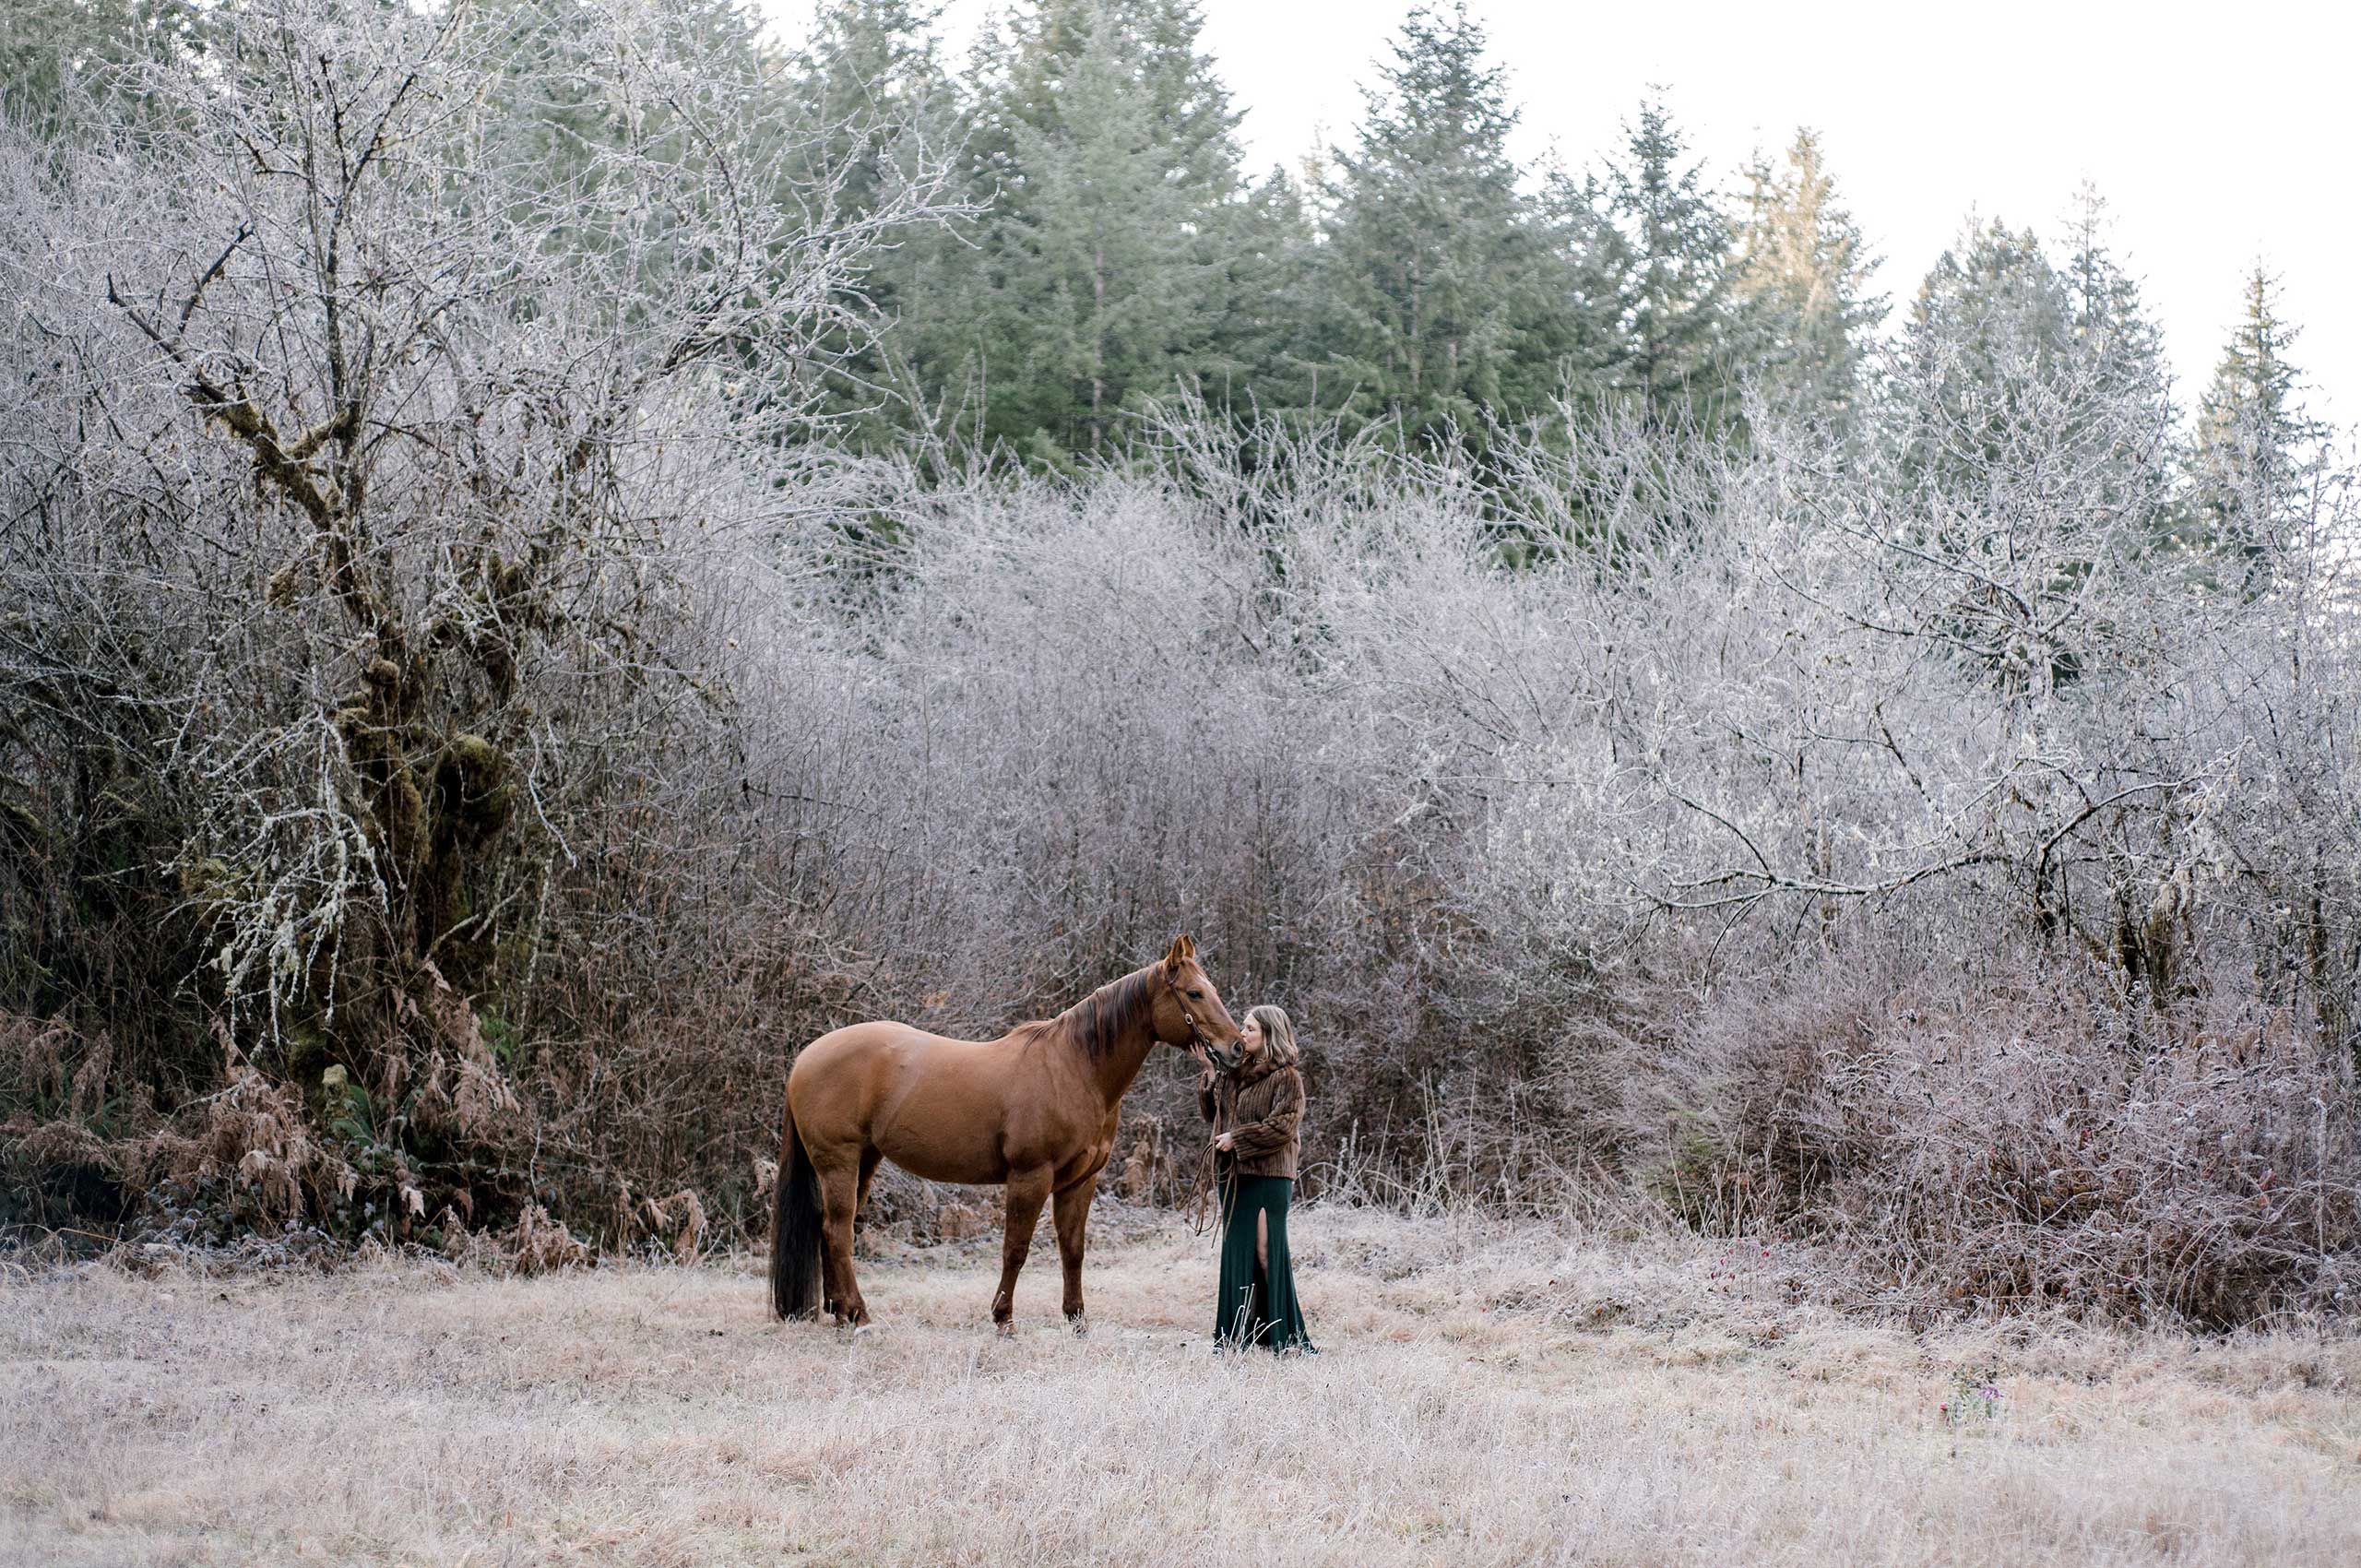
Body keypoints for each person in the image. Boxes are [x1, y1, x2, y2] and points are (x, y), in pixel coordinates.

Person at [1197, 1004, 1315, 1353]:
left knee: (1265, 1253)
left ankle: (1282, 1335)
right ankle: (1236, 1337)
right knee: (1237, 1253)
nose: (1242, 1034)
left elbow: (1283, 1127)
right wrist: (1209, 1072)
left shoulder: (1287, 1077)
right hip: (1233, 1174)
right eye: (1243, 1027)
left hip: (1269, 1175)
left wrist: (1238, 1138)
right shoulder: (1234, 1073)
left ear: (1269, 1035)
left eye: (1249, 1029)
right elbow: (1211, 1113)